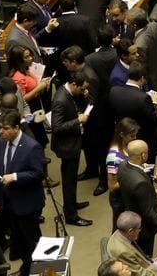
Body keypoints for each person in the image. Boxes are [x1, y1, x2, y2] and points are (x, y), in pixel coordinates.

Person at [0, 109, 45, 276]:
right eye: (0, 128)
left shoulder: (31, 146)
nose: (1, 131)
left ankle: (30, 271)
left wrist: (15, 176)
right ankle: (28, 267)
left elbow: (38, 173)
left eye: (5, 128)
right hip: (9, 200)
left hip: (27, 203)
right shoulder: (0, 142)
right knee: (18, 238)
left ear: (16, 128)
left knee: (29, 240)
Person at [52, 71, 93, 227]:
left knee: (71, 178)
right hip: (66, 146)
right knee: (69, 181)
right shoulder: (60, 100)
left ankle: (72, 203)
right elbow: (56, 127)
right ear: (74, 84)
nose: (83, 91)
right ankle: (71, 215)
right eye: (82, 89)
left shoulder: (72, 93)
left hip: (73, 142)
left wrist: (85, 95)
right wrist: (77, 120)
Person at [106, 211, 157, 276]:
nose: (140, 230)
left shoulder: (119, 233)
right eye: (139, 228)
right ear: (130, 231)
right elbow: (140, 274)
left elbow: (135, 258)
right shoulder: (123, 252)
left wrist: (149, 261)